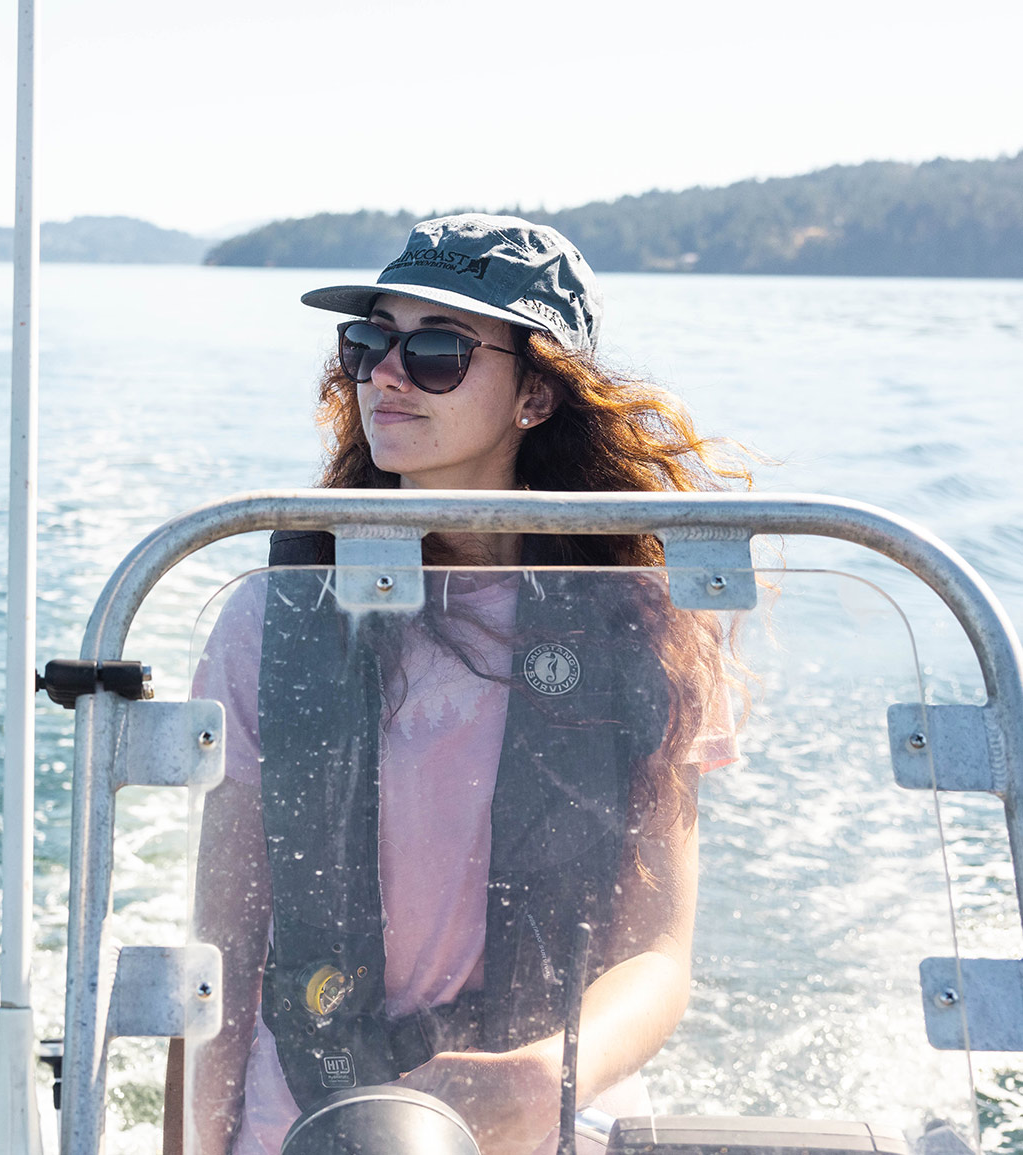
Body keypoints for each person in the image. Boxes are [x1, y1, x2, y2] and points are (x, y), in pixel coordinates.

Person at [165, 214, 746, 1155]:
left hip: (544, 1107)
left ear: (534, 396)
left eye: (436, 352)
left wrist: (543, 1077)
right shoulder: (274, 618)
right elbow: (223, 946)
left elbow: (656, 952)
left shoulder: (642, 623)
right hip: (305, 1115)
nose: (386, 375)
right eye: (368, 344)